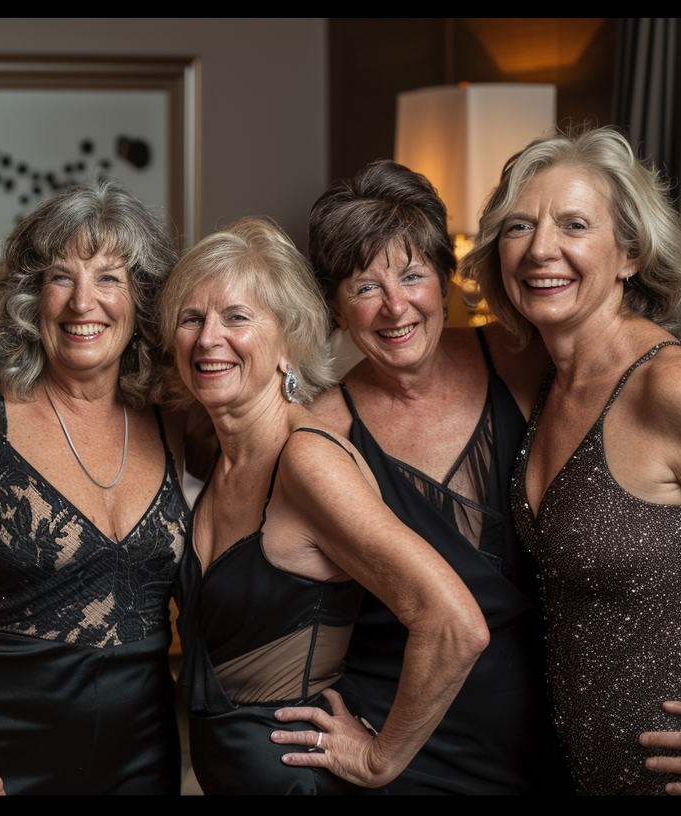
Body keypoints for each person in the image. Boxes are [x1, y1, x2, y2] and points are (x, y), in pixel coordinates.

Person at [161, 216, 490, 794]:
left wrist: (379, 760)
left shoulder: (306, 461)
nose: (208, 337)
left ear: (288, 343)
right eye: (192, 318)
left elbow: (455, 624)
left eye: (237, 317)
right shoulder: (220, 455)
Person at [463, 126, 681, 795]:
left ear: (628, 254)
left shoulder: (668, 387)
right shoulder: (548, 383)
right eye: (519, 227)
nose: (540, 249)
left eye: (574, 224)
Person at [0, 179, 187, 795]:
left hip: (142, 755)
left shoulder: (171, 421)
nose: (84, 302)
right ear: (32, 298)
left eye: (110, 277)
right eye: (62, 277)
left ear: (142, 300)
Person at [304, 160, 570, 794]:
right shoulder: (322, 431)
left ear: (445, 277)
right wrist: (379, 758)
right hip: (410, 749)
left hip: (556, 732)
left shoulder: (524, 359)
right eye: (365, 287)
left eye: (413, 275)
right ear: (336, 308)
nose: (396, 306)